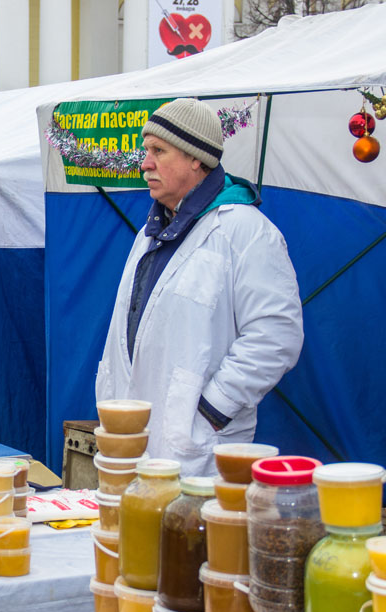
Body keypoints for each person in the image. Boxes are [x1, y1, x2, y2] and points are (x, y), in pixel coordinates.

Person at [96, 98, 303, 477]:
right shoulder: (148, 234)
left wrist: (212, 410)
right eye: (146, 151)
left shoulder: (246, 231)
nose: (145, 163)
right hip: (132, 440)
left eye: (159, 151)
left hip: (197, 449)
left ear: (196, 158)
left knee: (193, 535)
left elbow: (276, 335)